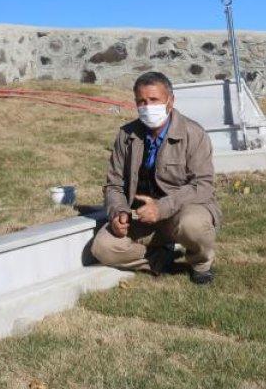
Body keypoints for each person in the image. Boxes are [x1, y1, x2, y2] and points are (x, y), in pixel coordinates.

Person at [90, 71, 220, 285]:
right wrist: (118, 212)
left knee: (193, 225)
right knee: (102, 247)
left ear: (170, 101)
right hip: (141, 216)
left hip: (182, 209)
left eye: (153, 100)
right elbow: (114, 184)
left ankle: (200, 264)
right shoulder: (126, 135)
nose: (147, 106)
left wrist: (161, 208)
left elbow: (203, 185)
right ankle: (160, 258)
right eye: (141, 101)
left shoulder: (193, 133)